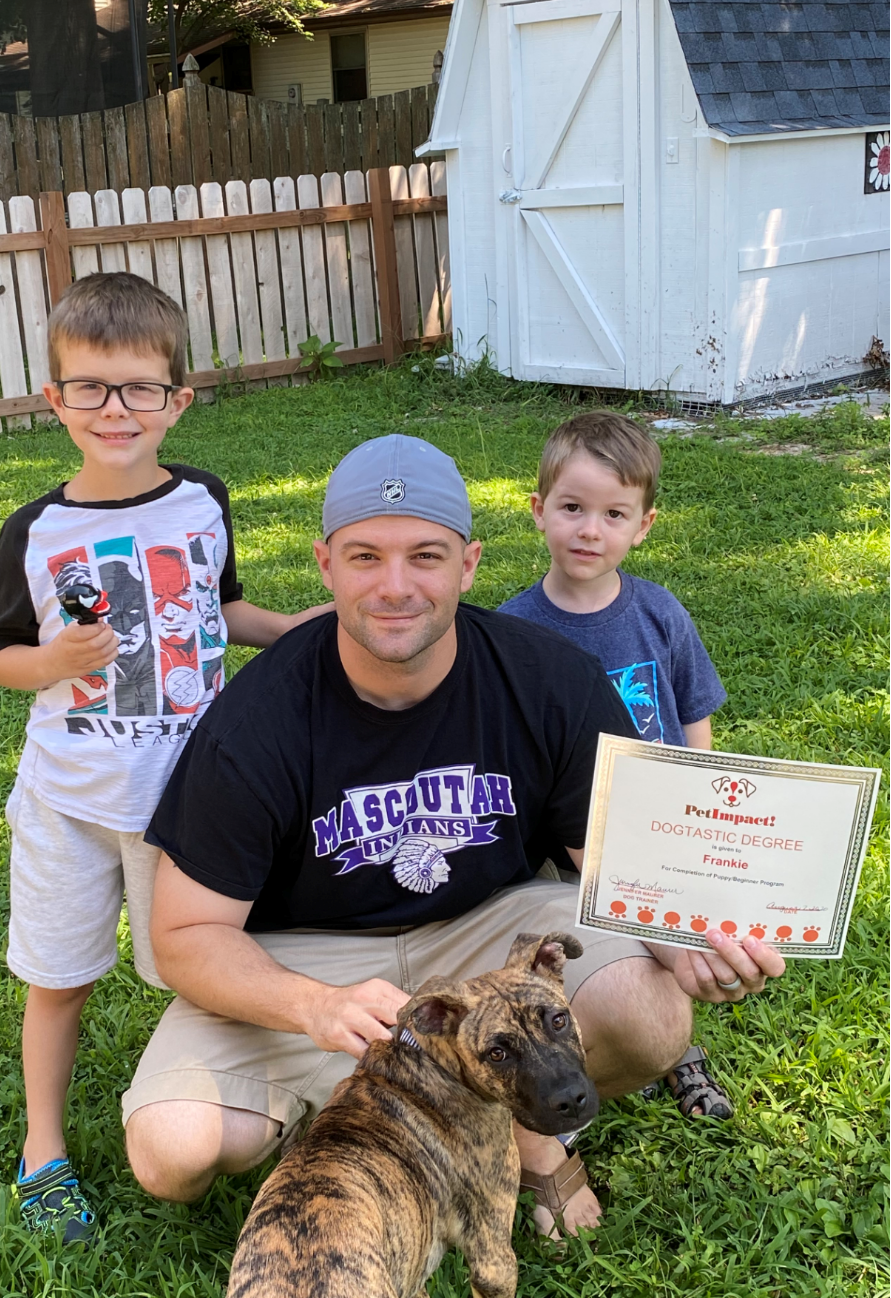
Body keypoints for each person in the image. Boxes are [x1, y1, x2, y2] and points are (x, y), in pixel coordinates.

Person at [124, 433, 785, 1240]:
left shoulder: (547, 679)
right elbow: (185, 935)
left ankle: (521, 1135)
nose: (395, 587)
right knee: (173, 1152)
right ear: (325, 565)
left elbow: (621, 868)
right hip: (309, 952)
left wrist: (687, 945)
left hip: (488, 931)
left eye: (425, 557)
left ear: (467, 565)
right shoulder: (258, 715)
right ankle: (389, 1114)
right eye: (365, 557)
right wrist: (313, 1006)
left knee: (650, 1013)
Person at [0, 272, 329, 1241]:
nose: (115, 410)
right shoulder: (37, 532)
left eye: (139, 388)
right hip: (71, 797)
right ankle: (41, 1147)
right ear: (54, 399)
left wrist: (291, 626)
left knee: (211, 964)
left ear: (177, 398)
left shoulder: (204, 502)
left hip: (190, 799)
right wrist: (51, 659)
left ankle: (259, 1103)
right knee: (58, 977)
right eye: (89, 387)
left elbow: (218, 608)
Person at [498, 411, 733, 1119]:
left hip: (659, 817)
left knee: (675, 943)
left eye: (612, 514)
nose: (588, 530)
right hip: (561, 839)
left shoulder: (659, 614)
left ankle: (680, 1054)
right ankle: (559, 1074)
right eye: (571, 508)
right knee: (581, 957)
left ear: (644, 524)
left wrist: (704, 801)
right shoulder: (512, 629)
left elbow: (692, 707)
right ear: (538, 511)